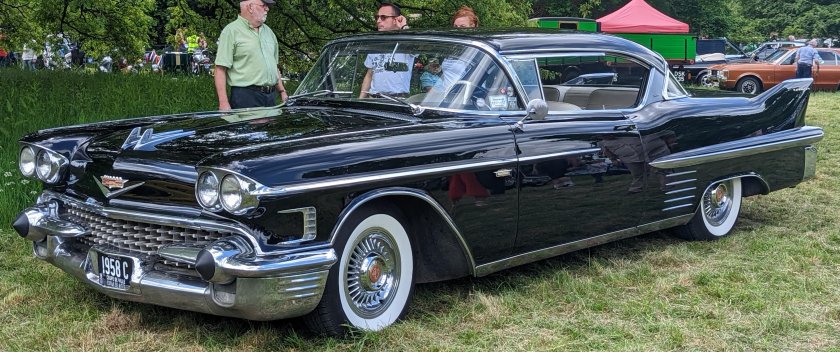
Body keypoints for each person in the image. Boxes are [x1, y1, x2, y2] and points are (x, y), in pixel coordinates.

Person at [214, 0, 289, 110]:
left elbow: (275, 67)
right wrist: (223, 102)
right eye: (263, 5)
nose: (267, 9)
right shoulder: (231, 31)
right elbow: (220, 69)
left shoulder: (269, 33)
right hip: (245, 97)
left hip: (270, 98)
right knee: (249, 123)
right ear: (250, 7)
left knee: (270, 123)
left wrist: (282, 92)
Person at [358, 3, 412, 98]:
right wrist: (360, 99)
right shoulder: (376, 44)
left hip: (397, 100)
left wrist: (404, 26)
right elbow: (369, 74)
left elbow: (416, 46)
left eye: (383, 17)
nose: (378, 21)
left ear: (396, 19)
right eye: (377, 17)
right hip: (374, 99)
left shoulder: (405, 41)